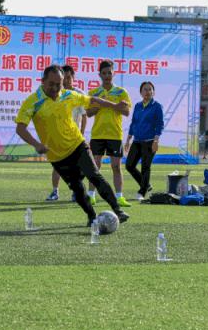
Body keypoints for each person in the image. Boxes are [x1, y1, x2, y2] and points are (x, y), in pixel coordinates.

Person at [15, 65, 130, 227]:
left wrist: (115, 106)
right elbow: (20, 128)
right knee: (78, 189)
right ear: (43, 81)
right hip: (57, 156)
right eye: (52, 84)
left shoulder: (68, 95)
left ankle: (117, 210)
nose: (56, 88)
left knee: (95, 175)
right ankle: (92, 217)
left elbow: (93, 100)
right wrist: (36, 144)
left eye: (59, 84)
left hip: (77, 145)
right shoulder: (33, 101)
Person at [86, 60, 132, 207]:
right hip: (98, 134)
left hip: (114, 134)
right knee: (95, 166)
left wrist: (115, 106)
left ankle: (119, 197)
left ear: (114, 73)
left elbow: (126, 112)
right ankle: (91, 195)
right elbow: (88, 113)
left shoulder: (121, 92)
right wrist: (101, 104)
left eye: (109, 73)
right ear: (99, 75)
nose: (107, 76)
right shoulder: (94, 93)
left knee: (116, 167)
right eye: (104, 73)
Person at [46, 65, 87, 202]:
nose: (67, 81)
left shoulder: (79, 94)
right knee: (57, 165)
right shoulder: (56, 94)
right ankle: (54, 192)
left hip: (74, 137)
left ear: (73, 78)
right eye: (65, 78)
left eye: (69, 78)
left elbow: (84, 116)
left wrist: (81, 134)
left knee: (78, 166)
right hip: (58, 136)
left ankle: (76, 192)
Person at [124, 81, 164, 201]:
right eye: (145, 90)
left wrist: (156, 141)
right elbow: (133, 123)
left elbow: (160, 124)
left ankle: (142, 192)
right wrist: (128, 139)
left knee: (145, 167)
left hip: (150, 141)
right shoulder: (137, 106)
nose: (147, 92)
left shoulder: (157, 106)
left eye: (150, 89)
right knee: (129, 165)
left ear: (153, 92)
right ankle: (146, 184)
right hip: (137, 141)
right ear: (141, 92)